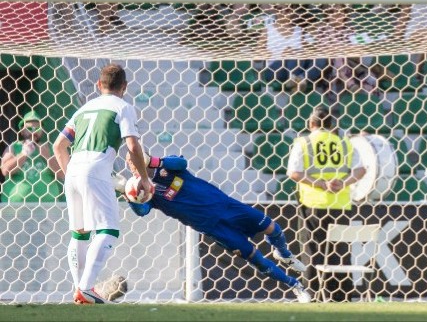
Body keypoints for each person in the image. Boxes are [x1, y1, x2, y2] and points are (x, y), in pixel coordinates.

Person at [123, 154, 312, 303]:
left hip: (226, 206)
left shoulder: (165, 167)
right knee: (255, 258)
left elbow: (182, 163)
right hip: (213, 227)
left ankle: (284, 254)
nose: (135, 164)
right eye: (131, 162)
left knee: (273, 227)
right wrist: (130, 197)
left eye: (137, 158)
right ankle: (295, 285)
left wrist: (154, 161)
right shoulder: (144, 193)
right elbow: (142, 211)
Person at [52, 63, 152, 304]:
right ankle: (86, 288)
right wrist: (144, 179)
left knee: (79, 233)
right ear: (124, 87)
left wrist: (72, 176)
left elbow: (58, 146)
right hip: (95, 169)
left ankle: (79, 290)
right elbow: (133, 146)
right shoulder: (123, 107)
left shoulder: (84, 109)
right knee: (108, 231)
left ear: (99, 85)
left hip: (73, 169)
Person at [287, 105, 366, 302]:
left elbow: (294, 173)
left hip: (313, 205)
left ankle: (314, 294)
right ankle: (341, 295)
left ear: (311, 123)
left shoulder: (304, 142)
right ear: (332, 124)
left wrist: (321, 184)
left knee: (313, 251)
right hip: (341, 205)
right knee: (340, 251)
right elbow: (361, 170)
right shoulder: (344, 143)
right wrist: (342, 183)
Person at [0, 110, 64, 202]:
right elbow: (5, 170)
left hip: (48, 206)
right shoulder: (14, 147)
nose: (33, 132)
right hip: (15, 207)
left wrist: (47, 156)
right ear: (22, 130)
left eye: (37, 129)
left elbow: (62, 174)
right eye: (29, 129)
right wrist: (23, 154)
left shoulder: (50, 148)